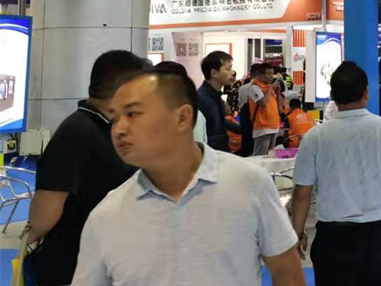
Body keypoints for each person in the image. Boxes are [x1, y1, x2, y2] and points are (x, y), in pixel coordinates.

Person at [72, 68, 306, 286]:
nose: (119, 129)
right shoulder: (107, 215)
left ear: (182, 117)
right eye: (114, 118)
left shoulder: (248, 184)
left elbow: (287, 274)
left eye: (133, 114)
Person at [291, 62, 381, 286]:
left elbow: (302, 192)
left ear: (332, 96)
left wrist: (298, 232)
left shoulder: (314, 137)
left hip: (331, 235)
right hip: (375, 234)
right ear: (366, 92)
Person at [26, 51, 148, 286]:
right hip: (73, 267)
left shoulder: (107, 127)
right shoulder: (77, 133)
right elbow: (42, 216)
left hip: (108, 262)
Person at [198, 51, 241, 152]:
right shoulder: (203, 98)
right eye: (228, 69)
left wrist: (242, 130)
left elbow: (220, 121)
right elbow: (212, 130)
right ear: (214, 73)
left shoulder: (215, 95)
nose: (232, 73)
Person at [246, 62, 283, 156]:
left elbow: (278, 107)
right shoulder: (255, 87)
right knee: (260, 157)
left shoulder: (268, 87)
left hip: (274, 126)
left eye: (272, 74)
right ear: (260, 75)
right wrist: (270, 88)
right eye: (268, 74)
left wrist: (277, 93)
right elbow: (263, 103)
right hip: (262, 128)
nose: (271, 77)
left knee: (270, 157)